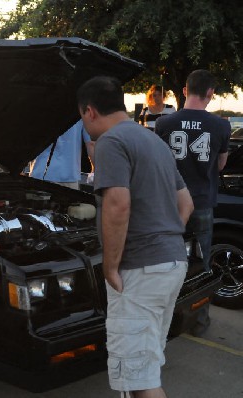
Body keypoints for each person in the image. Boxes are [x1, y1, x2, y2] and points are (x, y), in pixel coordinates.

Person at [77, 75, 194, 398]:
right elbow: (185, 203)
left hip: (140, 271)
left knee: (139, 381)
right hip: (170, 263)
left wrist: (111, 266)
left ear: (90, 111)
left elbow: (117, 204)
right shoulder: (152, 140)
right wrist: (164, 235)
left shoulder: (111, 143)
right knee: (146, 365)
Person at [155, 69, 231, 336]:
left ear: (185, 91)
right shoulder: (222, 125)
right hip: (200, 203)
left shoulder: (164, 123)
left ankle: (165, 319)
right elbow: (221, 165)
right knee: (201, 264)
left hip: (169, 203)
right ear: (210, 93)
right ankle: (198, 321)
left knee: (165, 261)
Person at [29, 119, 94, 189]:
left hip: (40, 172)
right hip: (69, 175)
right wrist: (95, 170)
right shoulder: (80, 113)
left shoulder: (39, 111)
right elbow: (91, 144)